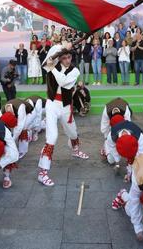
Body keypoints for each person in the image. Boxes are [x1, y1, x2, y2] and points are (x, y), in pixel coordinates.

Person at [38, 47, 88, 187]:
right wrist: (53, 56)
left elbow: (63, 82)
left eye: (69, 57)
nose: (67, 60)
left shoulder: (75, 71)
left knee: (73, 132)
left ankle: (75, 150)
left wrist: (52, 67)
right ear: (60, 58)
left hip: (66, 106)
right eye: (64, 57)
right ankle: (43, 172)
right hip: (52, 104)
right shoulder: (51, 64)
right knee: (51, 137)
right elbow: (44, 63)